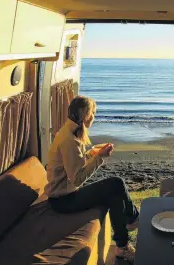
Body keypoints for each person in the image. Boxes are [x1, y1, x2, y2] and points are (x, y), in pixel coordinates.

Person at [45, 95, 139, 263]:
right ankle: (132, 219)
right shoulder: (70, 140)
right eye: (93, 113)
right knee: (116, 183)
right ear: (86, 115)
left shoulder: (69, 132)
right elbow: (77, 179)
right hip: (63, 201)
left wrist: (92, 153)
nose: (94, 117)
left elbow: (72, 163)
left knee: (114, 194)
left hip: (65, 195)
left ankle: (122, 246)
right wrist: (99, 158)